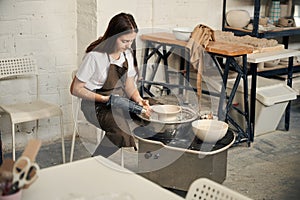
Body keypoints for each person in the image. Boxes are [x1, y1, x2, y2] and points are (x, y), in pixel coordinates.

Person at [70, 12, 151, 158]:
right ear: (113, 37)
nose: (128, 45)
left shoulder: (127, 54)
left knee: (155, 115)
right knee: (120, 132)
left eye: (131, 41)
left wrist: (139, 100)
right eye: (124, 41)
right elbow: (75, 89)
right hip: (95, 105)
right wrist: (105, 99)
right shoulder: (94, 57)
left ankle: (150, 163)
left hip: (120, 101)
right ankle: (95, 163)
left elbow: (129, 85)